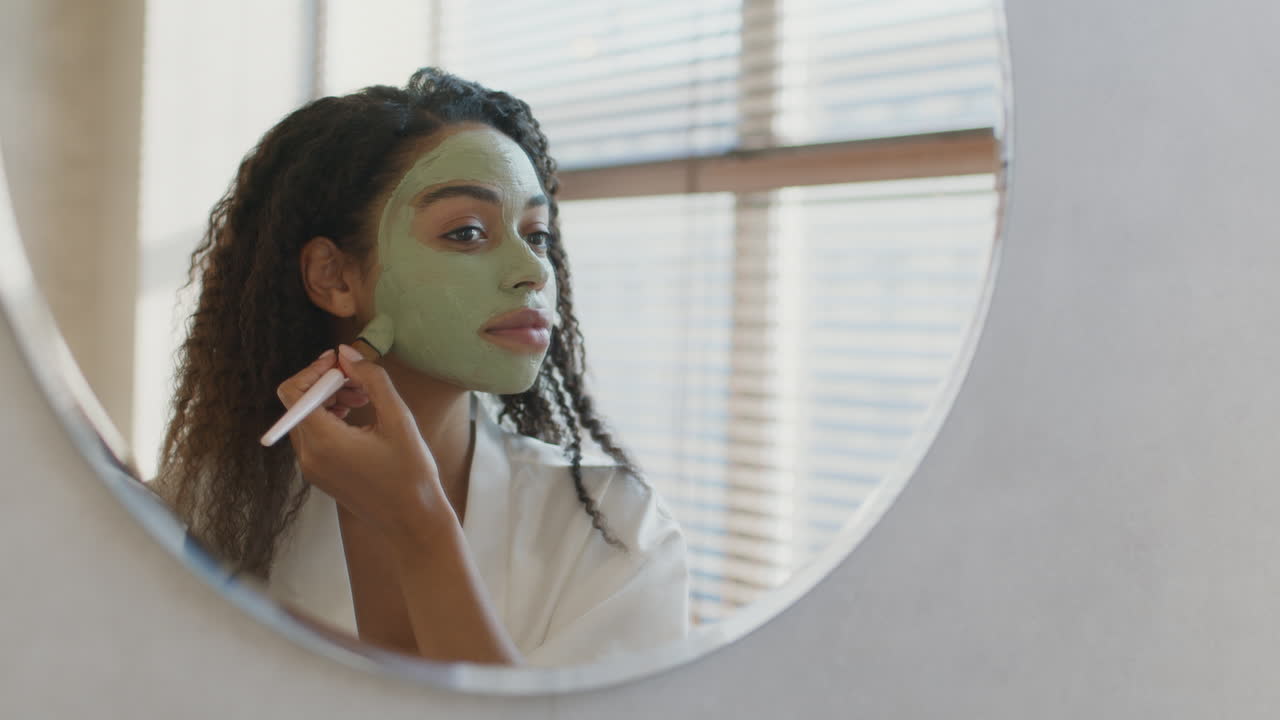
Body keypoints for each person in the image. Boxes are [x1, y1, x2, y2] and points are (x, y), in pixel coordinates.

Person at [153, 68, 689, 667]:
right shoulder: (200, 508)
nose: (533, 272)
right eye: (466, 232)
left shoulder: (618, 530)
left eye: (536, 236)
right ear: (334, 277)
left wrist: (420, 527)